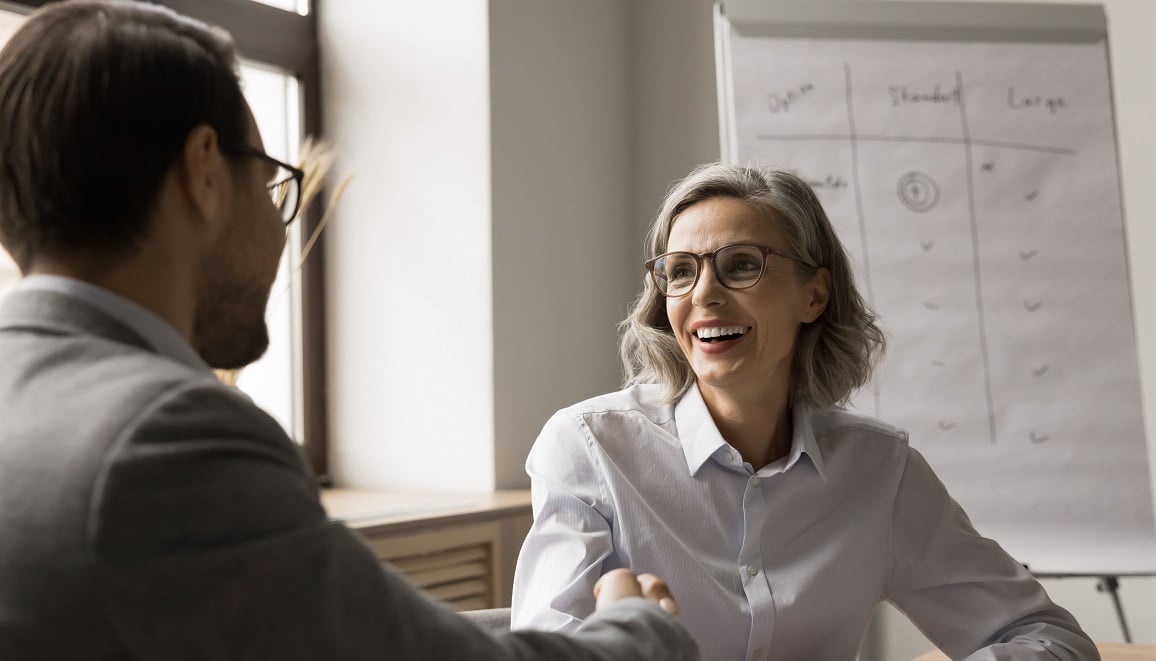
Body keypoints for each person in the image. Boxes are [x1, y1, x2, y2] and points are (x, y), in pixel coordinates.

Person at [0, 2, 697, 659]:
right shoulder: (163, 435)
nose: (281, 229)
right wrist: (641, 631)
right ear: (204, 170)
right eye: (273, 184)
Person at [510, 162, 1102, 660]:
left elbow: (1052, 639)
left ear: (814, 295)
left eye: (741, 264)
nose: (704, 294)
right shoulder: (589, 447)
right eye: (681, 271)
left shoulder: (879, 469)